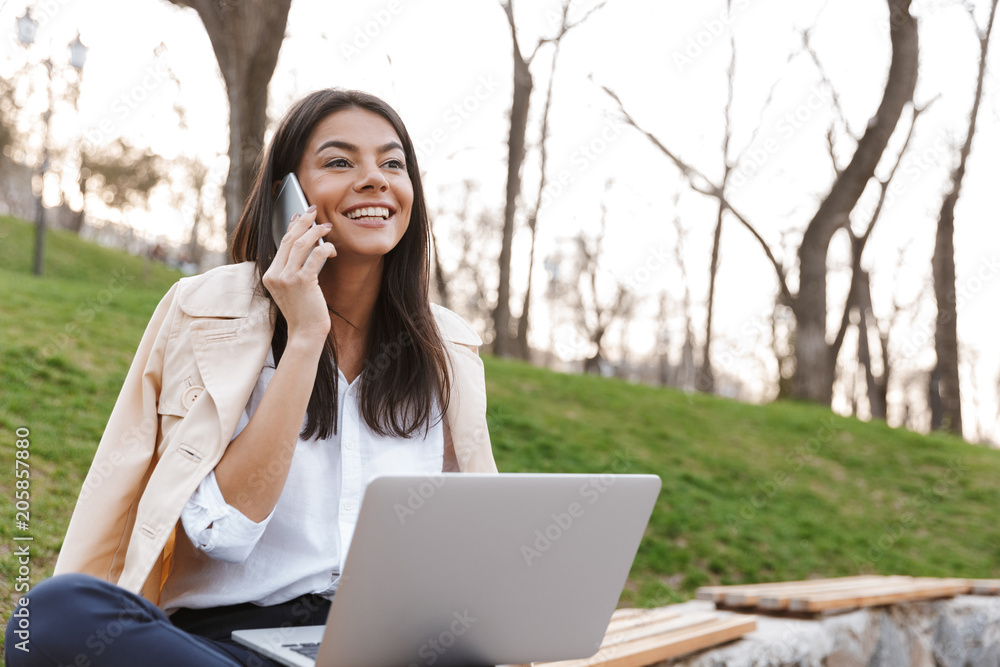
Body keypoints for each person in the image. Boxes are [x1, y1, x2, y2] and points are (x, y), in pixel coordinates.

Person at [5, 89, 497, 667]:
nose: (375, 179)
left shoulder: (448, 347)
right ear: (288, 197)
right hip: (234, 646)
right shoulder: (208, 310)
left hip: (393, 648)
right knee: (55, 616)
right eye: (340, 162)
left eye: (393, 163)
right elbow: (224, 532)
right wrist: (306, 335)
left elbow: (470, 550)